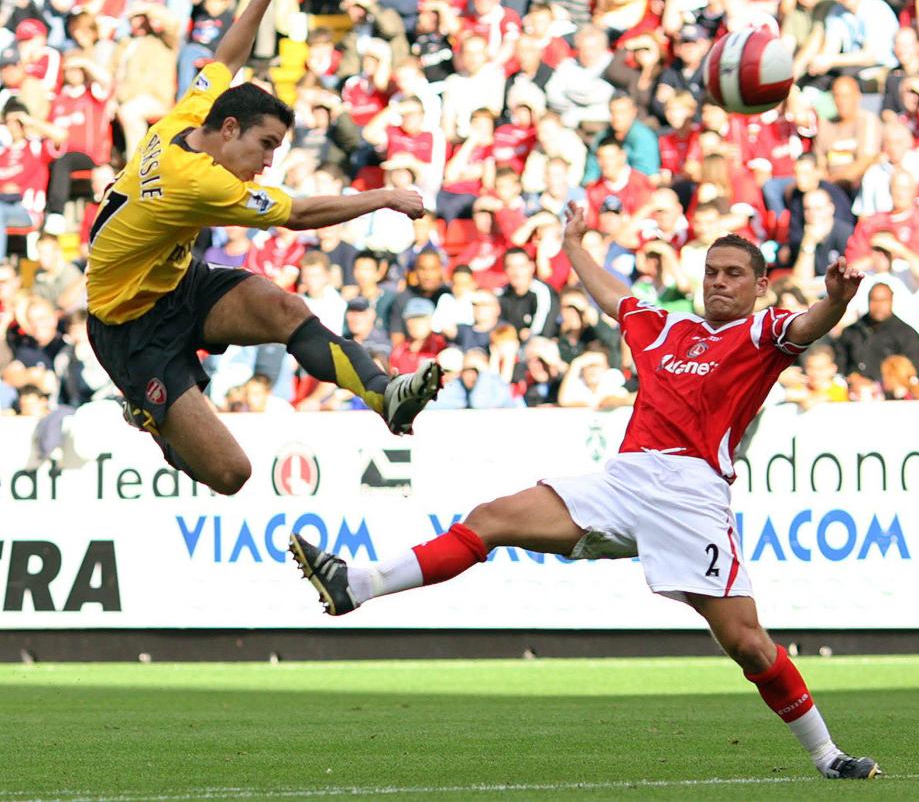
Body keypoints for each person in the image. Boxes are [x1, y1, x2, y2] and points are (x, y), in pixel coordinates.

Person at [290, 205, 880, 782]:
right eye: (712, 271)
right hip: (622, 482)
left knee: (749, 645)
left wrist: (836, 299)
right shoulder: (666, 327)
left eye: (734, 274)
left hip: (692, 497)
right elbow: (611, 294)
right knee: (490, 517)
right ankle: (358, 585)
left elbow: (810, 325)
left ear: (760, 286)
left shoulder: (763, 332)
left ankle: (828, 756)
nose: (720, 282)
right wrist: (574, 245)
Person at [84, 0, 442, 496]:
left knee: (282, 306)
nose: (269, 161)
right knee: (231, 475)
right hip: (128, 326)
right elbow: (298, 215)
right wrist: (383, 195)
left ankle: (384, 393)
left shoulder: (186, 119)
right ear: (230, 130)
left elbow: (226, 56)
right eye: (266, 146)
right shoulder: (197, 181)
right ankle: (149, 413)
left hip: (177, 283)